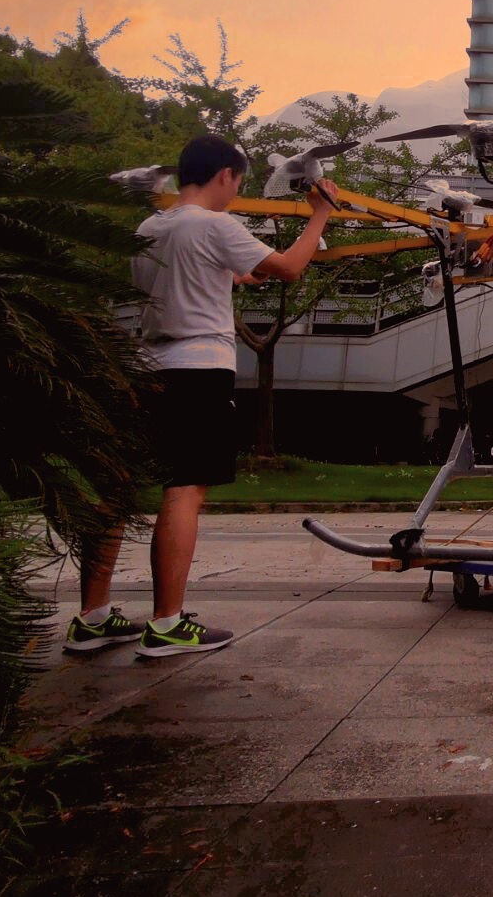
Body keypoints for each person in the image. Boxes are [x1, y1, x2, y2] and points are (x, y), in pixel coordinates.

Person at [64, 134, 337, 658]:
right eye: (238, 181)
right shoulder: (214, 224)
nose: (236, 191)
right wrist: (319, 216)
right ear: (225, 177)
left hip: (144, 366)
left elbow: (190, 280)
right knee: (184, 490)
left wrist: (233, 276)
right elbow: (289, 267)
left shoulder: (152, 226)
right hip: (197, 369)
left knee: (116, 491)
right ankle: (166, 624)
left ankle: (92, 616)